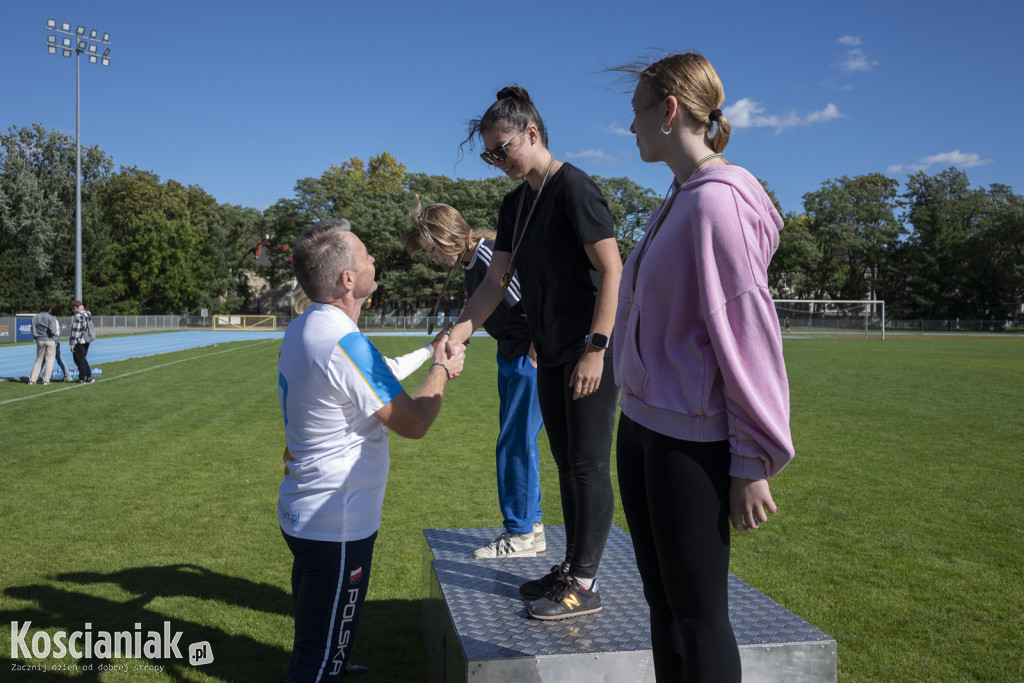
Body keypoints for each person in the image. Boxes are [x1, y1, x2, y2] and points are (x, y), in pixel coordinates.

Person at [611, 52, 795, 681]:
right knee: (662, 605)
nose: (629, 127)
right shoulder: (680, 197)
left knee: (697, 615)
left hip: (689, 440)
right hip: (641, 426)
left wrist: (750, 462)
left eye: (636, 112)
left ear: (667, 112)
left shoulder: (717, 205)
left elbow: (747, 336)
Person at [447, 86, 623, 620]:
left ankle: (584, 584)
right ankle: (571, 568)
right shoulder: (515, 203)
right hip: (547, 351)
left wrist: (596, 349)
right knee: (567, 464)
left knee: (589, 466)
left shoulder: (575, 189)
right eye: (488, 154)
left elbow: (613, 270)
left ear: (532, 132)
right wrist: (458, 331)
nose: (496, 161)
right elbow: (495, 282)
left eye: (502, 149)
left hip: (590, 348)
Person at [277, 219, 466, 681]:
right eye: (366, 256)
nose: (374, 260)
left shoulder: (310, 326)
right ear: (347, 279)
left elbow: (375, 373)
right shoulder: (343, 342)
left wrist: (427, 353)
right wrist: (442, 367)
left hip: (309, 512)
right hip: (336, 522)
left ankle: (331, 663)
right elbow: (414, 422)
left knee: (316, 636)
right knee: (316, 661)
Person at [403, 196, 545, 559]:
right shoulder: (475, 259)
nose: (432, 259)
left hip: (527, 356)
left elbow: (532, 300)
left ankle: (522, 533)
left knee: (515, 443)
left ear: (447, 236)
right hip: (511, 355)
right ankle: (532, 525)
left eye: (433, 250)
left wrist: (536, 350)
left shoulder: (485, 255)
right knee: (516, 441)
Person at [27, 301, 59, 385]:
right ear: (48, 308)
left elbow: (32, 329)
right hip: (50, 339)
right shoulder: (51, 317)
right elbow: (53, 330)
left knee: (38, 360)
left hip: (40, 340)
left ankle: (32, 379)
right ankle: (45, 380)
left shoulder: (35, 317)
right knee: (50, 360)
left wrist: (36, 337)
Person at [69, 299, 95, 384]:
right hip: (87, 340)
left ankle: (81, 378)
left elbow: (75, 331)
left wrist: (72, 344)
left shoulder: (78, 316)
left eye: (73, 309)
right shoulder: (87, 314)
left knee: (79, 360)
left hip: (79, 341)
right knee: (83, 359)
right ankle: (89, 377)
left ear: (75, 307)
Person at [54, 316, 72, 381]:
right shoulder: (55, 320)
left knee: (43, 360)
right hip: (56, 341)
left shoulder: (52, 320)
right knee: (59, 359)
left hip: (51, 342)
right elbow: (58, 330)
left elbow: (58, 330)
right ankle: (67, 376)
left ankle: (35, 377)